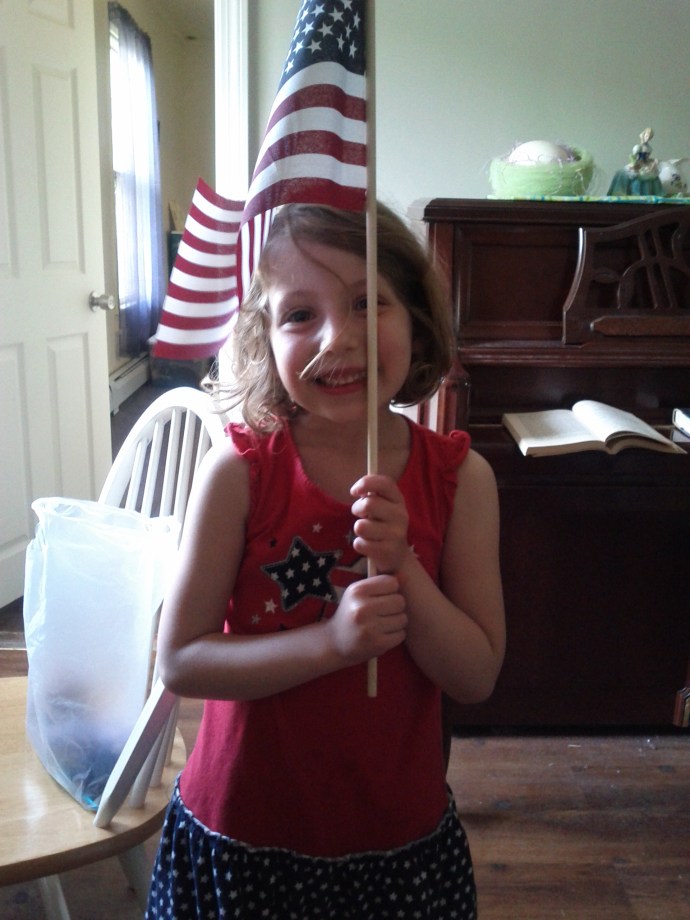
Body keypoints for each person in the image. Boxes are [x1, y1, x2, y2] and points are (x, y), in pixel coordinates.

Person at [145, 202, 505, 919]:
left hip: (397, 842)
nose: (337, 337)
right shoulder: (239, 473)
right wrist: (333, 644)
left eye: (369, 302)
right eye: (300, 314)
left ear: (417, 322)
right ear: (265, 337)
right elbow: (181, 661)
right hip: (244, 833)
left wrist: (402, 566)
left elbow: (475, 674)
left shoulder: (461, 480)